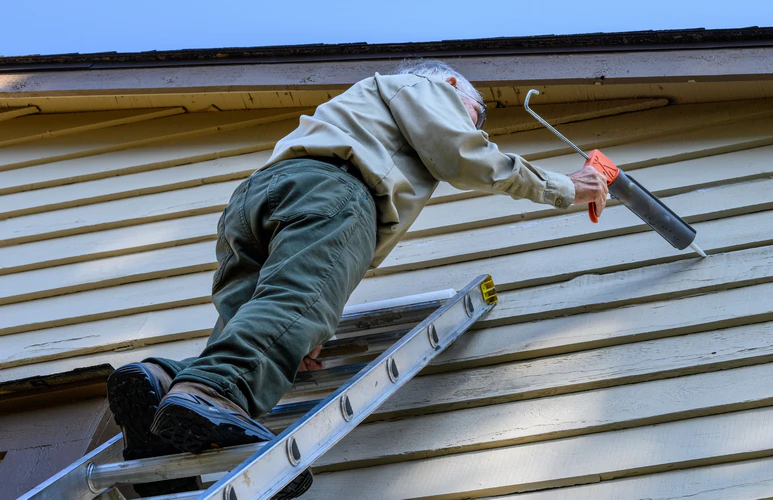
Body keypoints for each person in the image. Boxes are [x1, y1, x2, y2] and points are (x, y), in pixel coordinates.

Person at [103, 59, 610, 498]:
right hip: (334, 191)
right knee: (292, 307)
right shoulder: (426, 88)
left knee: (251, 323)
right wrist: (565, 186)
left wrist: (304, 331)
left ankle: (161, 392)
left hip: (254, 202)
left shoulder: (352, 111)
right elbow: (462, 154)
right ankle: (209, 397)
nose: (471, 124)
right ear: (454, 89)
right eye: (474, 116)